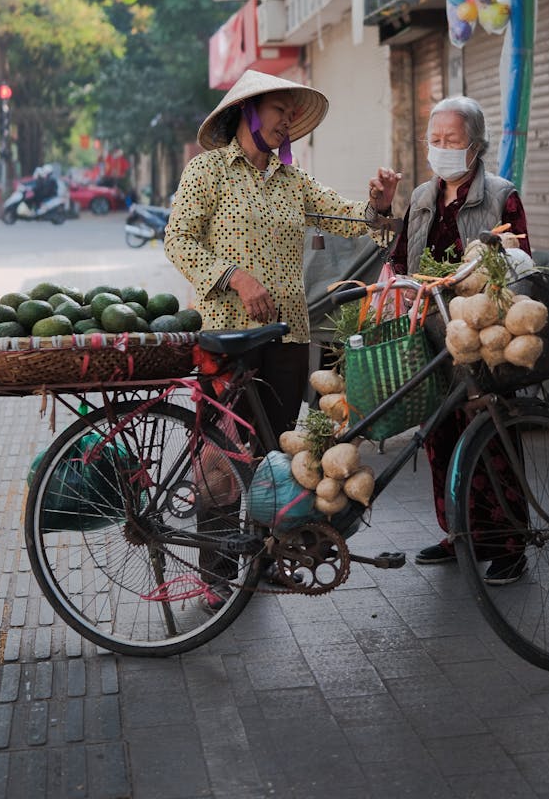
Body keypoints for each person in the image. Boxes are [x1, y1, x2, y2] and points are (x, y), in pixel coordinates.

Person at [164, 69, 400, 605]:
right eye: (278, 110)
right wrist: (236, 277)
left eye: (292, 114)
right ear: (248, 112)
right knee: (220, 456)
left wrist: (379, 205)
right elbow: (178, 240)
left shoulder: (293, 181)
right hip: (227, 337)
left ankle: (263, 560)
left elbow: (348, 218)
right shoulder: (208, 173)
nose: (286, 122)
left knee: (273, 454)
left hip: (289, 336)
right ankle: (217, 574)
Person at [391, 95, 531, 586]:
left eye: (452, 140)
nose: (441, 149)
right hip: (432, 333)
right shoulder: (423, 198)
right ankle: (459, 534)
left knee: (491, 436)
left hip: (483, 332)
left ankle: (510, 545)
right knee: (442, 439)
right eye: (435, 140)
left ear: (475, 145)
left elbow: (520, 264)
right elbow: (400, 258)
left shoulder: (500, 196)